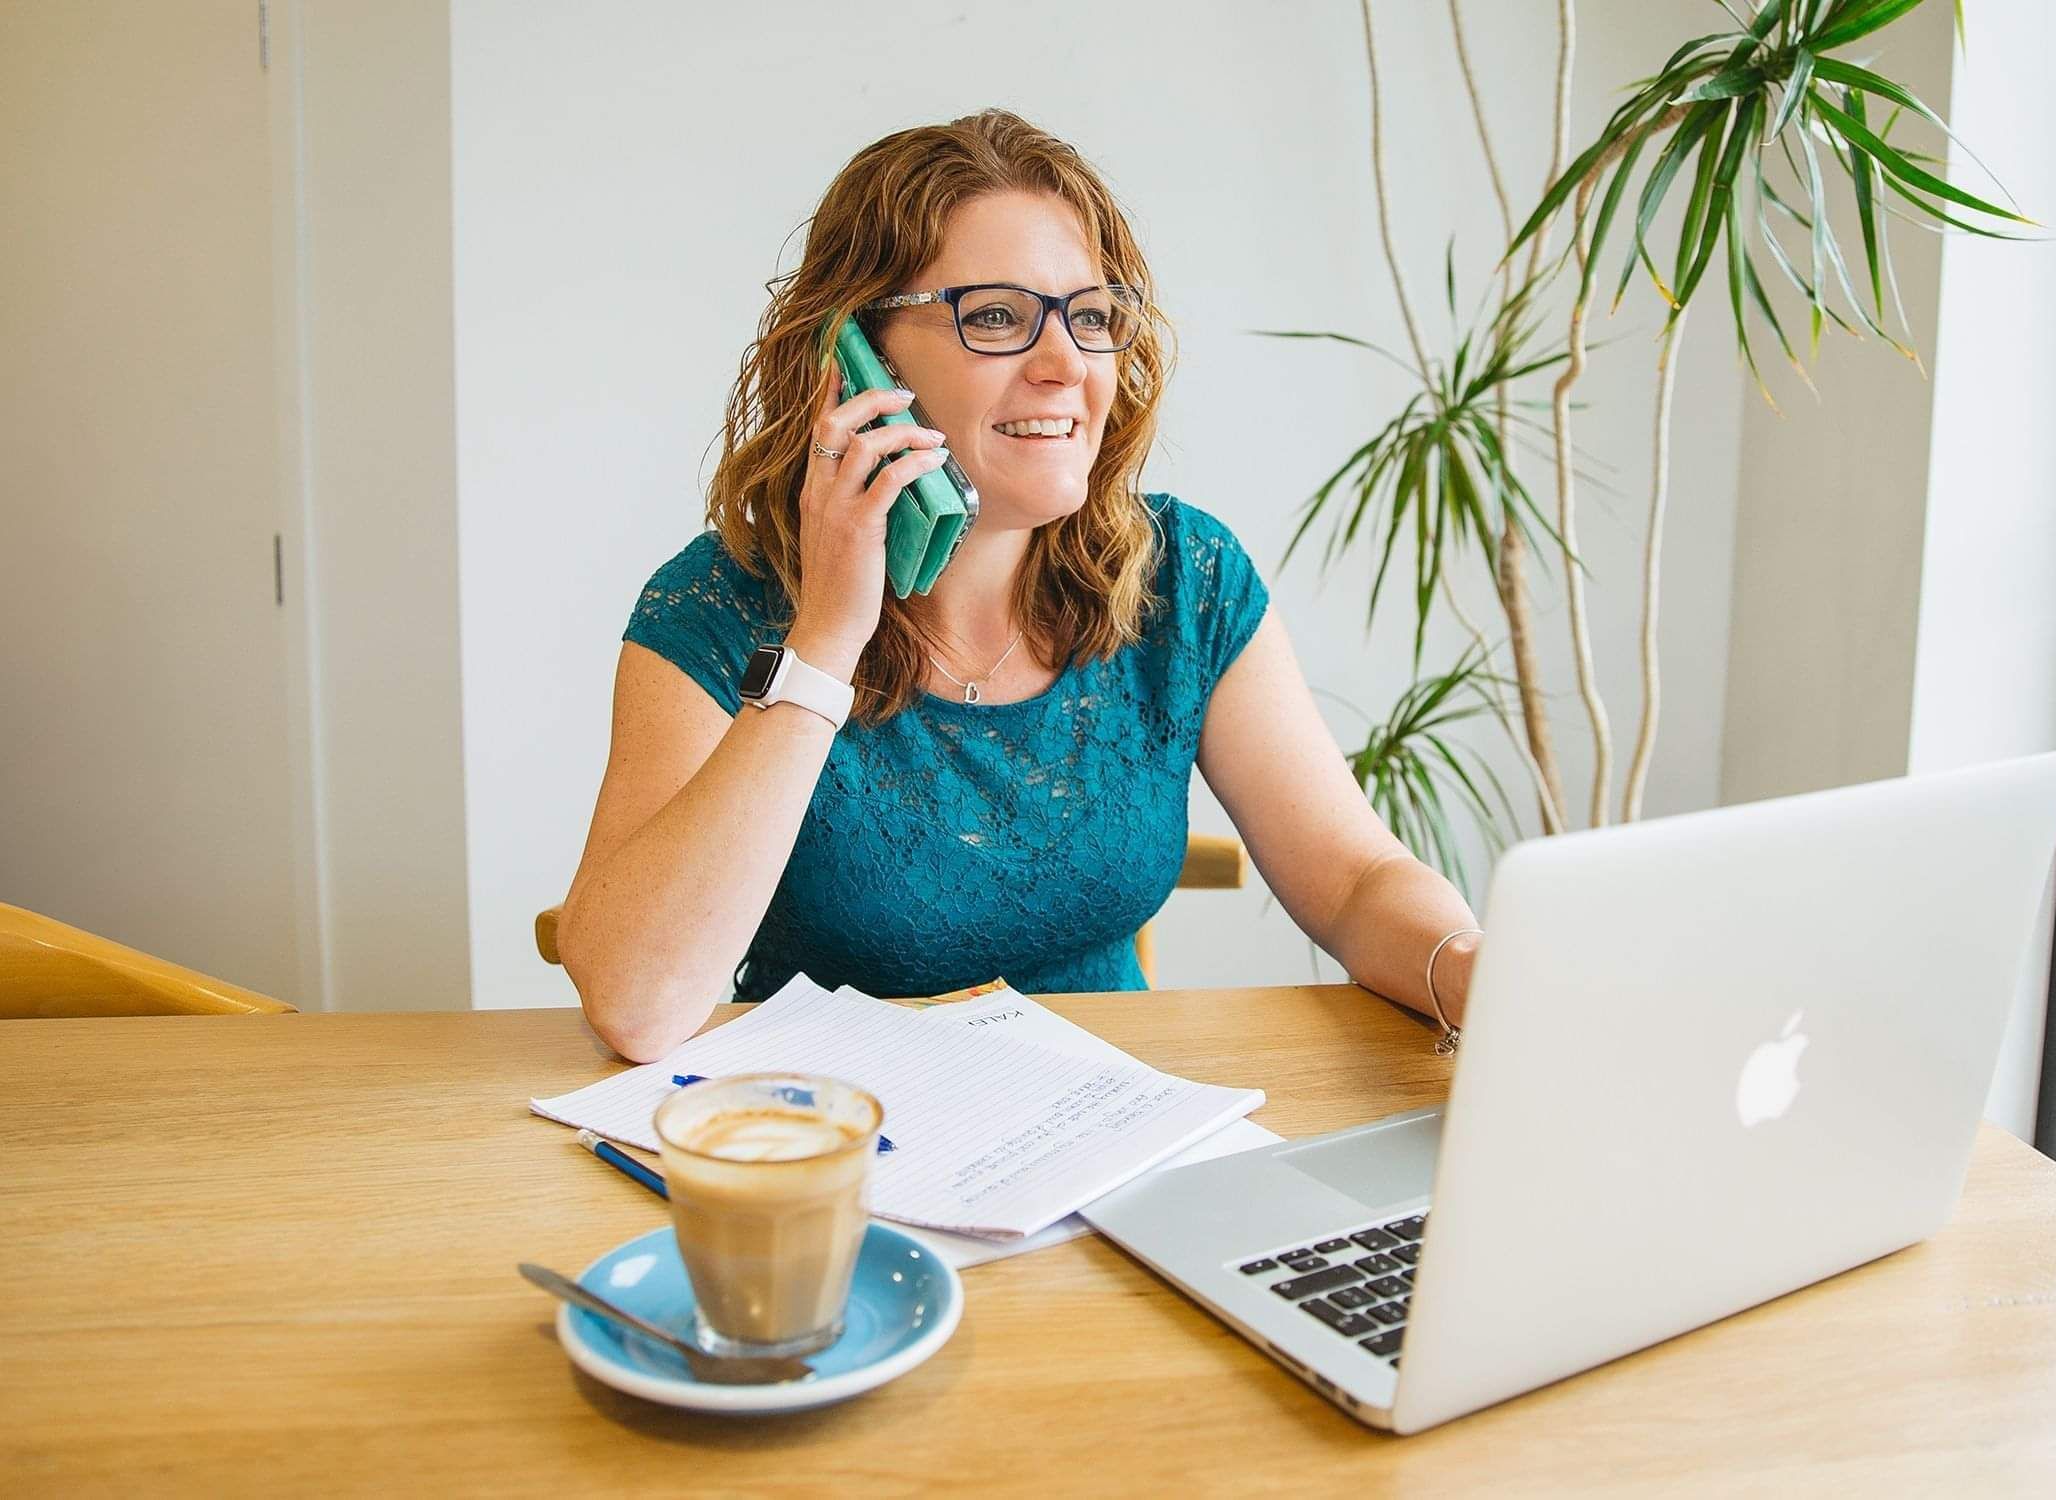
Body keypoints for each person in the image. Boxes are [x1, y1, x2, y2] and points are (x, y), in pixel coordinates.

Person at [558, 109, 1483, 1062]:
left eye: (1090, 317)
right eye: (996, 316)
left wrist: (1468, 965)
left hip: (1111, 1134)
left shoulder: (1185, 578)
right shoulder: (716, 605)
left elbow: (1354, 879)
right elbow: (637, 1003)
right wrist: (827, 639)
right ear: (855, 359)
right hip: (844, 1148)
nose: (1066, 365)